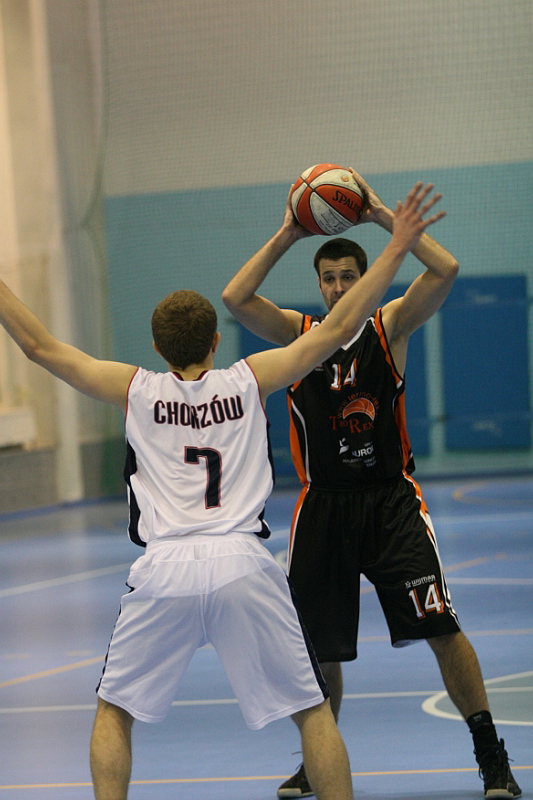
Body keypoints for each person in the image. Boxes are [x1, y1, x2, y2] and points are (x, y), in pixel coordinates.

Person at [0, 181, 445, 800]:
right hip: (242, 563)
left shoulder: (136, 390)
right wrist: (396, 247)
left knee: (114, 712)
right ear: (215, 342)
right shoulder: (249, 378)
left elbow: (38, 346)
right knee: (312, 711)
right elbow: (341, 326)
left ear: (157, 348)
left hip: (164, 567)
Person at [222, 170, 522, 800]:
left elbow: (445, 270)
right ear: (319, 285)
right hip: (323, 506)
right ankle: (318, 759)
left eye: (348, 277)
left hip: (391, 502)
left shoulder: (391, 326)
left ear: (366, 278)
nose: (337, 287)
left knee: (441, 627)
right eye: (328, 278)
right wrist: (288, 233)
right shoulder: (299, 335)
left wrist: (384, 216)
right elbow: (235, 298)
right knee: (317, 648)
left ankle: (491, 755)